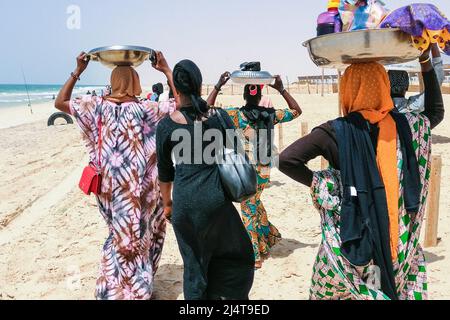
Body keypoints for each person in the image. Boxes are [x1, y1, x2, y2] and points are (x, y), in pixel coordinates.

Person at [278, 48, 444, 300]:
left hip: (354, 234)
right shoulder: (408, 126)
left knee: (344, 287)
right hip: (398, 240)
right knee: (387, 283)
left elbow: (287, 160)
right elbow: (434, 111)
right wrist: (424, 61)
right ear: (383, 86)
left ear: (347, 89)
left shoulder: (335, 131)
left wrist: (324, 182)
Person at [55, 51, 177, 300]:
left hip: (108, 187)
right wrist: (166, 70)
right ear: (134, 80)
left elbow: (60, 103)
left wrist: (78, 70)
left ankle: (114, 286)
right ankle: (137, 286)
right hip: (139, 187)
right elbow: (179, 104)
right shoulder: (146, 109)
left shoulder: (96, 106)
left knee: (118, 233)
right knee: (141, 232)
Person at [156, 60, 255, 300]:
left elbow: (165, 172)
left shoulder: (167, 126)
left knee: (194, 266)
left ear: (175, 90)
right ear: (200, 85)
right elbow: (237, 150)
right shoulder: (217, 117)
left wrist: (168, 205)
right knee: (237, 255)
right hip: (215, 201)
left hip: (185, 205)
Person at [207, 72, 302, 269]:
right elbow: (296, 111)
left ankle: (254, 255)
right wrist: (281, 89)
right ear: (260, 97)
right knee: (255, 203)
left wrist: (217, 86)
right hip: (264, 171)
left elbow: (206, 110)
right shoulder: (270, 115)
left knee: (248, 211)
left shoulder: (235, 115)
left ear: (244, 96)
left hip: (245, 172)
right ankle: (268, 237)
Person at [389, 43, 445, 113]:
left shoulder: (376, 108)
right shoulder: (413, 107)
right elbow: (437, 81)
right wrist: (433, 44)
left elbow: (438, 80)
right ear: (407, 87)